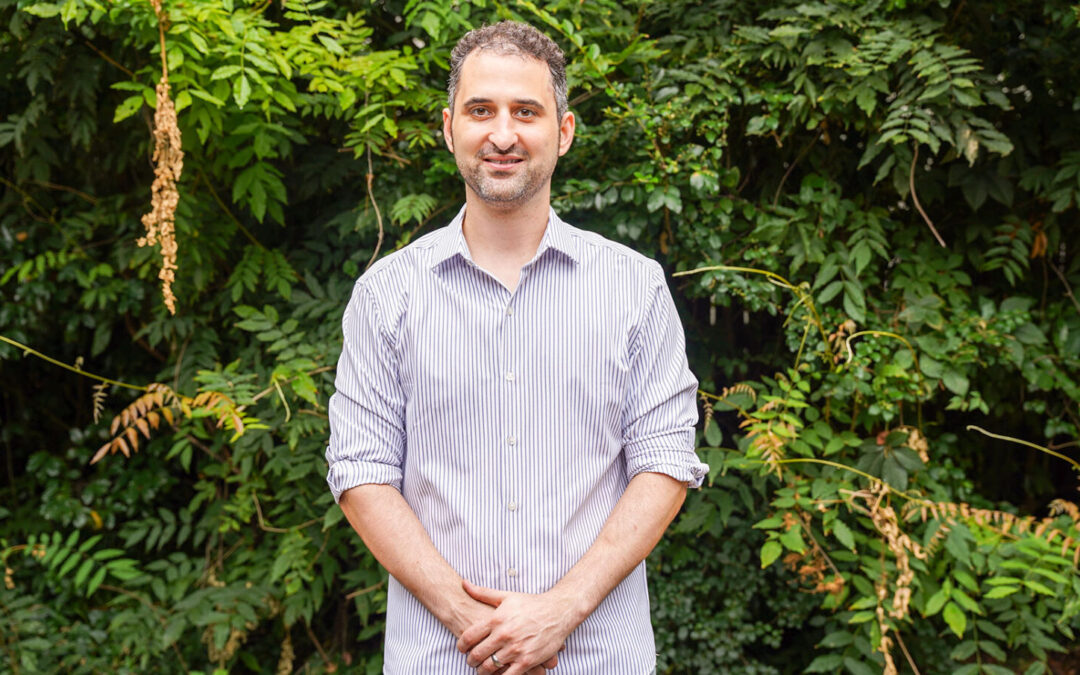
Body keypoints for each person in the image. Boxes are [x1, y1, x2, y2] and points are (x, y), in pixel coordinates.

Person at [326, 20, 706, 675]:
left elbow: (665, 461)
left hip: (597, 660)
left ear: (563, 132)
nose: (503, 134)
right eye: (482, 110)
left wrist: (562, 609)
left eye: (525, 111)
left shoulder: (633, 287)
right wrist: (468, 620)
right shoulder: (386, 295)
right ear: (450, 128)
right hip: (440, 660)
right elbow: (362, 472)